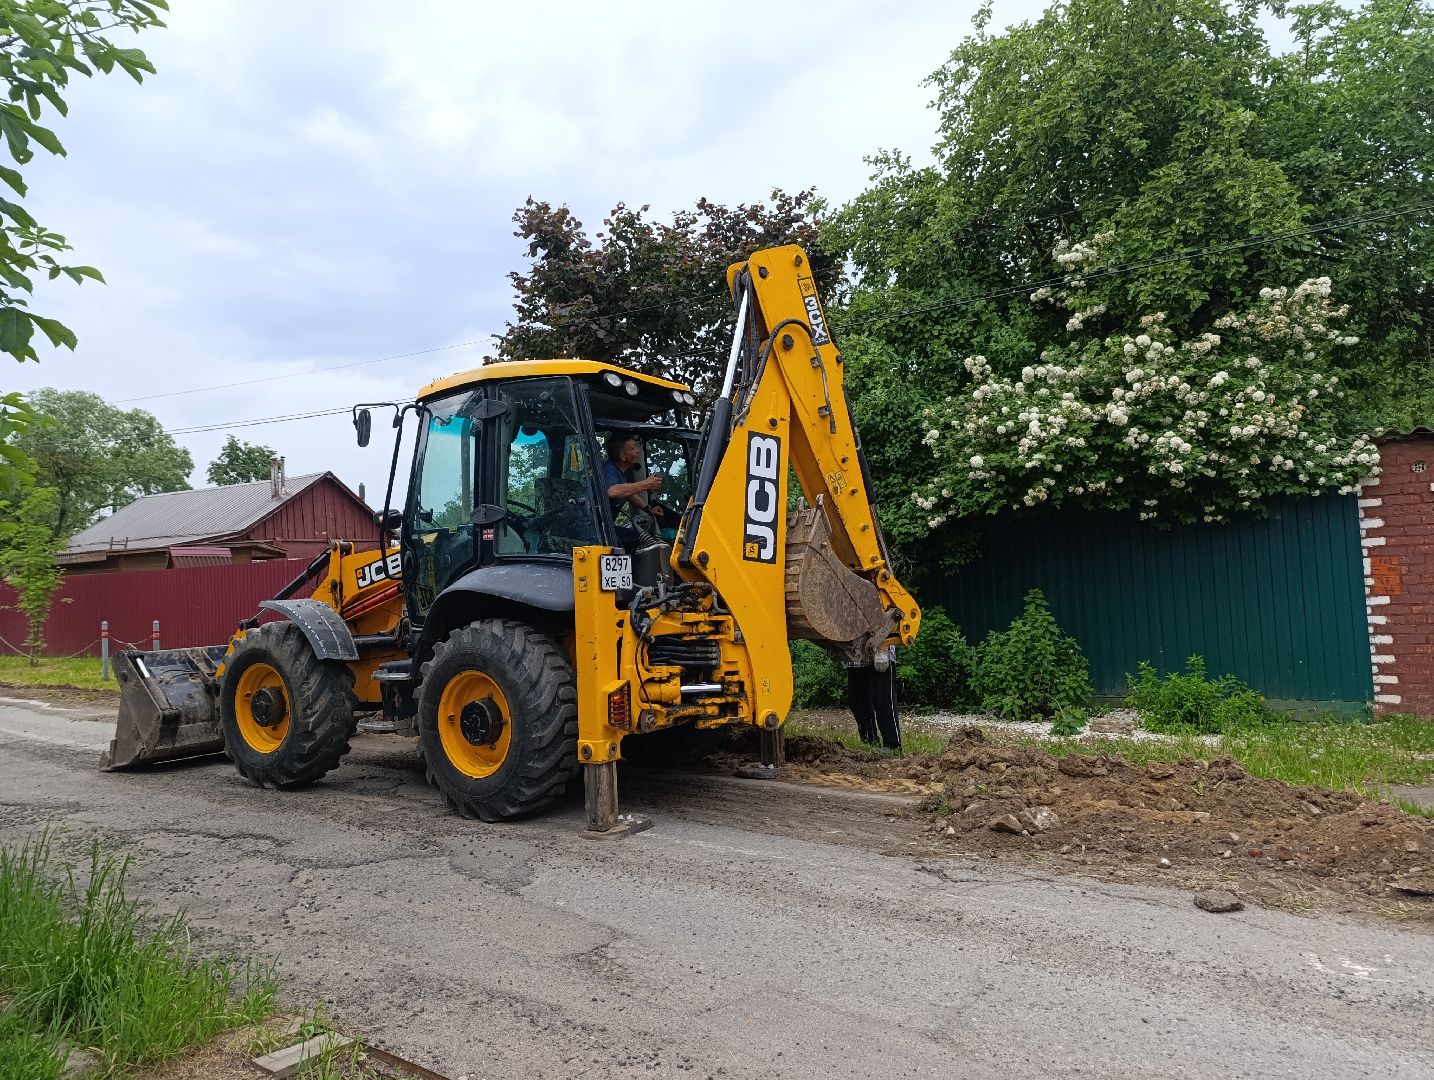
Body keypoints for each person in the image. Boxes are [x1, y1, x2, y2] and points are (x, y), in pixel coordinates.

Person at [602, 432, 664, 530]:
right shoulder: (608, 469)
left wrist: (648, 509)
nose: (638, 451)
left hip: (606, 527)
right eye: (633, 448)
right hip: (595, 528)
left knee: (639, 536)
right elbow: (612, 491)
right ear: (622, 456)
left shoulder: (621, 473)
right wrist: (646, 484)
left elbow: (628, 493)